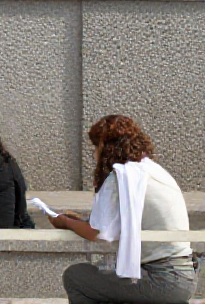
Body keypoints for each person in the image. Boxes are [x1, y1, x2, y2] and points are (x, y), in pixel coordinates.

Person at [46, 115, 196, 304]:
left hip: (162, 279)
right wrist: (80, 221)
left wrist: (64, 222)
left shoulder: (120, 176)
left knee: (76, 276)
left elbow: (98, 233)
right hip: (184, 277)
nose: (94, 155)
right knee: (105, 275)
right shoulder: (150, 170)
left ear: (105, 147)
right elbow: (117, 221)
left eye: (95, 147)